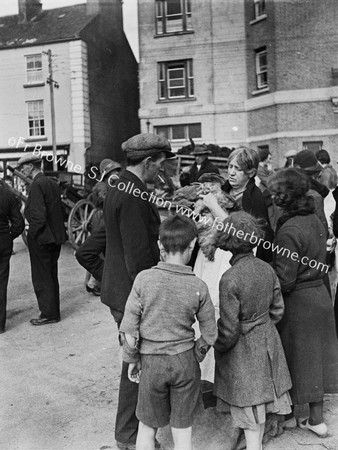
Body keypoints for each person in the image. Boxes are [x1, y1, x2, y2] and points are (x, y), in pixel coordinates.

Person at [101, 133, 175, 450]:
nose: (161, 172)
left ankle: (127, 434)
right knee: (137, 366)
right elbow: (137, 256)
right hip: (130, 293)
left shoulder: (121, 186)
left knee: (133, 363)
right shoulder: (133, 193)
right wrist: (149, 299)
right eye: (159, 165)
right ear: (146, 162)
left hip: (119, 289)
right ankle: (130, 438)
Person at [120, 215, 217, 450]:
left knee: (147, 426)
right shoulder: (198, 286)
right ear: (193, 245)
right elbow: (210, 333)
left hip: (152, 362)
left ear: (159, 246)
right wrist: (197, 353)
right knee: (182, 428)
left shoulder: (143, 280)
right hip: (185, 361)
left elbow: (129, 333)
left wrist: (132, 360)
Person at [267, 168, 338, 437]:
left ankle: (288, 416)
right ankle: (316, 419)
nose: (273, 199)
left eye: (275, 195)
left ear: (283, 198)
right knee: (316, 358)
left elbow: (285, 278)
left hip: (297, 301)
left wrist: (267, 270)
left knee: (293, 357)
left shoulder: (288, 230)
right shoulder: (313, 219)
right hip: (319, 294)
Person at [214, 211, 292, 450]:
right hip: (267, 341)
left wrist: (217, 346)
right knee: (262, 404)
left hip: (242, 351)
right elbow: (278, 310)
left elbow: (229, 329)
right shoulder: (267, 269)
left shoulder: (229, 278)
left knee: (248, 409)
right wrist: (262, 325)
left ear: (228, 242)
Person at [17, 154, 67, 325]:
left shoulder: (37, 185)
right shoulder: (51, 183)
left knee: (41, 277)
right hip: (54, 238)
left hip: (42, 239)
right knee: (51, 275)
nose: (22, 170)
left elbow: (38, 217)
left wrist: (32, 236)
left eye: (24, 166)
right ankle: (53, 311)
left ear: (31, 166)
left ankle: (48, 314)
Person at [222, 146, 274, 262]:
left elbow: (261, 234)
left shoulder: (254, 197)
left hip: (238, 253)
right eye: (230, 167)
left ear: (251, 173)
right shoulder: (222, 190)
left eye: (238, 169)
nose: (231, 173)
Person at [0, 179, 24, 333]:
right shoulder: (8, 194)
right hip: (3, 243)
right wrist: (9, 237)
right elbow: (19, 224)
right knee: (1, 283)